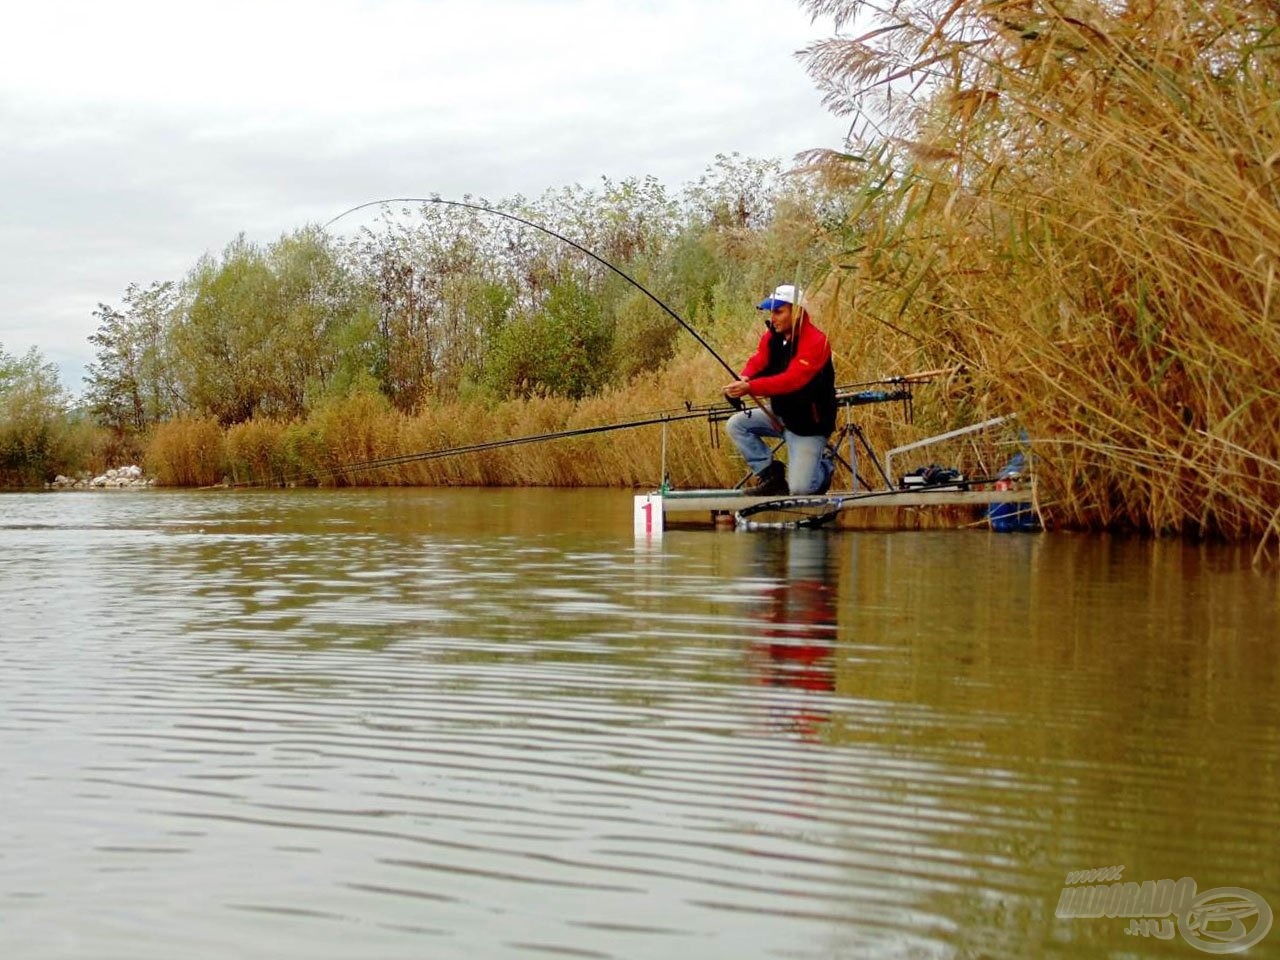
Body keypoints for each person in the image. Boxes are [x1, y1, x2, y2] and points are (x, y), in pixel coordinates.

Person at [723, 284, 837, 496]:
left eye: (778, 311)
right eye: (770, 312)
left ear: (797, 312)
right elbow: (759, 361)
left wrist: (750, 387)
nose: (772, 318)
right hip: (780, 415)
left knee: (801, 489)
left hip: (809, 424)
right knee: (736, 425)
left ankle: (823, 467)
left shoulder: (816, 342)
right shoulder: (772, 336)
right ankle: (771, 476)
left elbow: (792, 380)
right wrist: (743, 378)